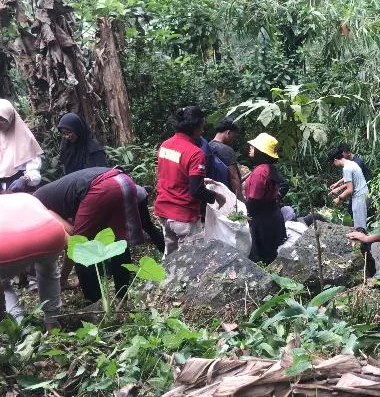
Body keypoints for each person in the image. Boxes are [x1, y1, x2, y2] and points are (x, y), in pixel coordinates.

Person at [33, 167, 144, 303]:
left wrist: (62, 277)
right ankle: (123, 298)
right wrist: (63, 278)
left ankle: (95, 303)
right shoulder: (48, 196)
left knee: (82, 249)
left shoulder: (35, 205)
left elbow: (75, 240)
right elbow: (71, 240)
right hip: (123, 180)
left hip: (101, 188)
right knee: (117, 241)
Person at [155, 107, 226, 256]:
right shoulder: (195, 153)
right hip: (183, 217)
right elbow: (196, 190)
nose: (202, 130)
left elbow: (170, 174)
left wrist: (200, 179)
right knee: (193, 262)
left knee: (171, 260)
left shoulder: (165, 145)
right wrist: (216, 196)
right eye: (202, 125)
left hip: (164, 213)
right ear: (195, 126)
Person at [0, 193, 64, 331]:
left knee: (3, 285)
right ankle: (51, 325)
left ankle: (19, 328)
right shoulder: (23, 197)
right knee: (48, 271)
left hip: (4, 246)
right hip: (50, 234)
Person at [244, 133, 286, 264]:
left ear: (260, 152)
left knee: (263, 258)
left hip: (262, 220)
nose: (250, 147)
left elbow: (254, 200)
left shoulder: (260, 172)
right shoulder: (268, 169)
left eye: (254, 146)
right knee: (271, 256)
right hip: (271, 216)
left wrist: (244, 215)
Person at [0, 99, 43, 193]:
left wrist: (25, 179)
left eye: (2, 119)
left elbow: (34, 170)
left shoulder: (26, 139)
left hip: (19, 189)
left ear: (10, 118)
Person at [329, 146, 369, 231]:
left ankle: (363, 242)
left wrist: (339, 198)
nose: (334, 166)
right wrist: (337, 184)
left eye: (333, 163)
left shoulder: (346, 168)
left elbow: (349, 189)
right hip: (363, 193)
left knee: (360, 226)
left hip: (359, 196)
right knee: (361, 221)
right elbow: (349, 178)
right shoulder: (351, 163)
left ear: (335, 160)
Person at [209, 119, 243, 199]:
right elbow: (234, 177)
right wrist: (241, 200)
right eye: (233, 136)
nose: (233, 139)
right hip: (226, 195)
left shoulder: (208, 146)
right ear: (228, 133)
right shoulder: (227, 150)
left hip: (211, 193)